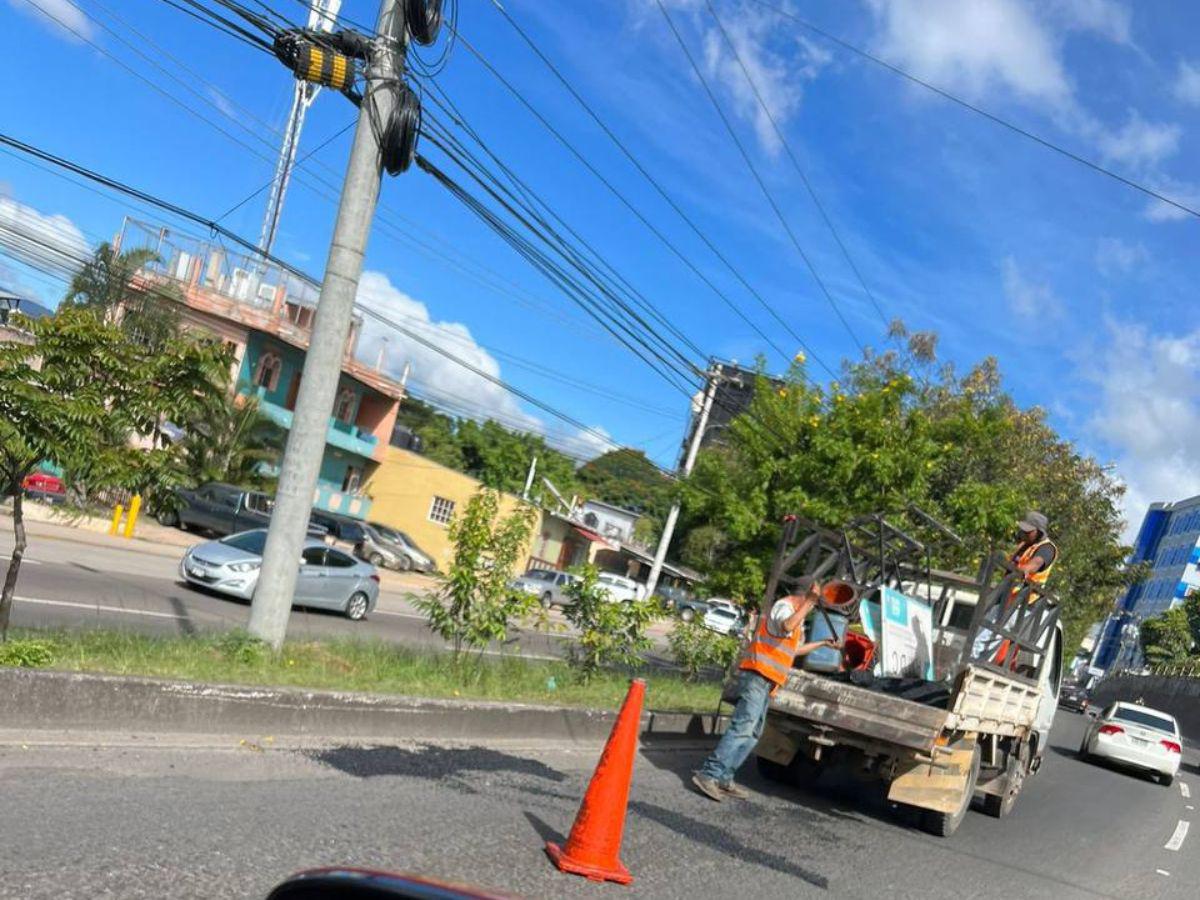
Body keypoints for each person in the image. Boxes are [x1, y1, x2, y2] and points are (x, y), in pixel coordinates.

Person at [692, 577, 838, 802]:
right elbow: (786, 625)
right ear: (805, 594)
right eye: (812, 600)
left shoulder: (796, 616)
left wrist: (822, 643)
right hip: (757, 676)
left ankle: (724, 778)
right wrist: (809, 602)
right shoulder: (784, 607)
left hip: (768, 682)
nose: (812, 607)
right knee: (743, 728)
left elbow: (795, 649)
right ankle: (708, 774)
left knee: (753, 733)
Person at [973, 511, 1058, 662]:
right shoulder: (1026, 545)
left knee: (983, 638)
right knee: (982, 635)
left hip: (1021, 604)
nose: (1023, 533)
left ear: (1038, 532)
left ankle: (960, 671)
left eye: (1027, 531)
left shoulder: (1047, 549)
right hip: (1007, 600)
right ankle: (972, 667)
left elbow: (1036, 563)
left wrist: (1023, 570)